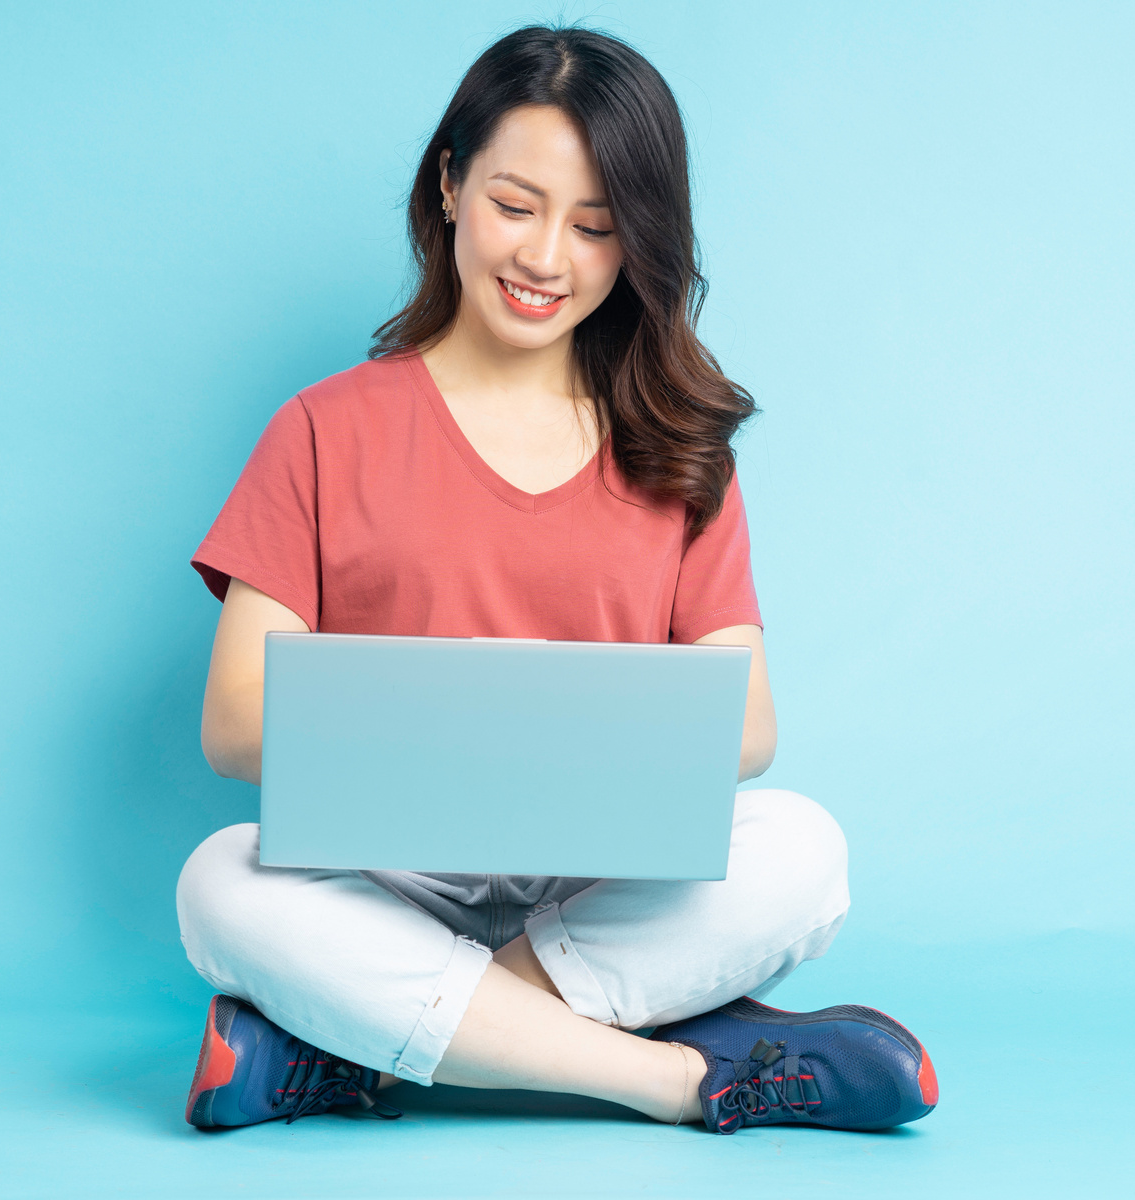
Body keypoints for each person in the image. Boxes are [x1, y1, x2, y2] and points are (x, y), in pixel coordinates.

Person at [175, 25, 937, 1135]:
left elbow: (748, 725)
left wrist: (564, 715)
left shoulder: (677, 445)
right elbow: (234, 725)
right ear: (448, 186)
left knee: (806, 852)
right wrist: (459, 703)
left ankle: (352, 1053)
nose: (545, 260)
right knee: (217, 882)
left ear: (639, 242)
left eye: (595, 227)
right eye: (515, 206)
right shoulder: (322, 430)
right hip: (388, 884)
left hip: (599, 888)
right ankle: (676, 1075)